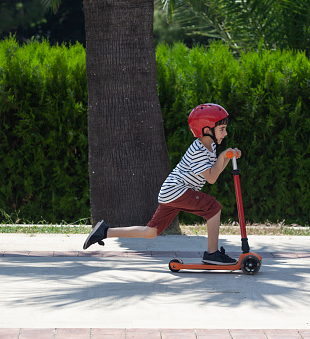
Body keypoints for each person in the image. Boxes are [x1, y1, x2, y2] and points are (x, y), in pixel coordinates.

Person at [83, 103, 241, 265]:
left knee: (151, 232)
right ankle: (212, 254)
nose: (225, 133)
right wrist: (224, 157)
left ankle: (104, 231)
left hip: (172, 192)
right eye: (222, 129)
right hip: (177, 190)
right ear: (207, 130)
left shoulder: (211, 146)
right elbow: (212, 178)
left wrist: (228, 157)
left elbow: (214, 170)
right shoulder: (198, 150)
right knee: (213, 208)